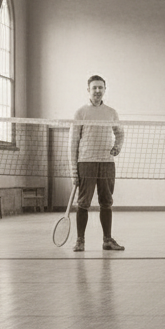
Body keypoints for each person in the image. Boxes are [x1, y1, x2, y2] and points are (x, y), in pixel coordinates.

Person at [69, 75, 126, 252]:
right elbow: (72, 143)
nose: (98, 91)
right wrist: (73, 170)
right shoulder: (80, 113)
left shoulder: (111, 112)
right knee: (83, 203)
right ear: (88, 90)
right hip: (86, 163)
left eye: (101, 87)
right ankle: (80, 241)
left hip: (107, 163)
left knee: (106, 202)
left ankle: (107, 240)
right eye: (94, 88)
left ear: (104, 89)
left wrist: (117, 147)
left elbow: (120, 133)